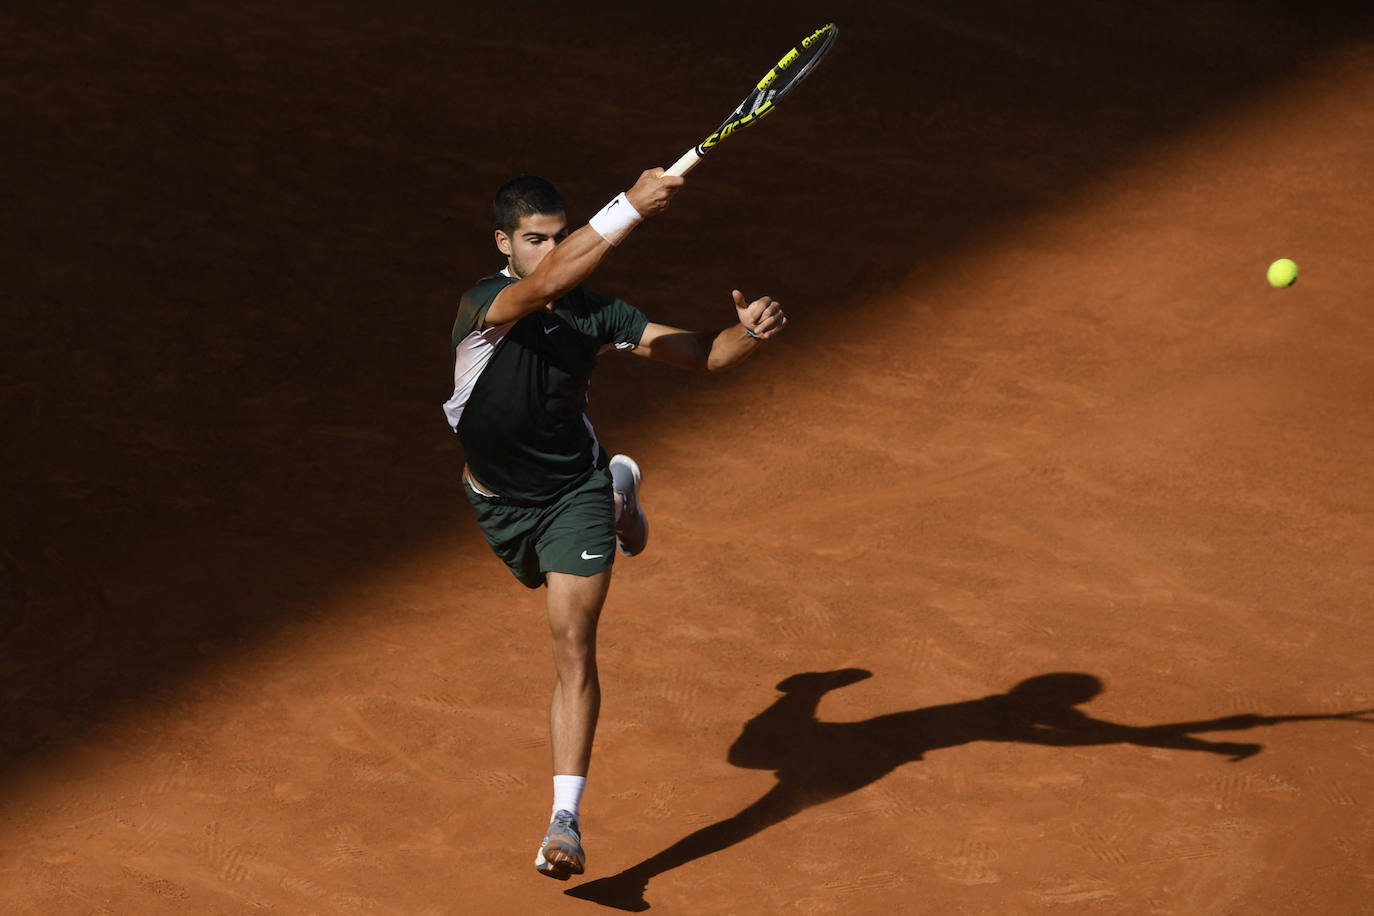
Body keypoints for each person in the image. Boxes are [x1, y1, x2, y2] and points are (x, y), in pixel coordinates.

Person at [442, 167, 787, 880]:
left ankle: (564, 821)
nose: (548, 250)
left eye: (558, 237)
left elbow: (702, 354)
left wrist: (743, 334)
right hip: (498, 503)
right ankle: (625, 493)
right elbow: (540, 288)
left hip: (572, 493)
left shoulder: (597, 315)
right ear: (504, 244)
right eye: (534, 239)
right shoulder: (486, 304)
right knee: (560, 596)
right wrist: (630, 206)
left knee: (572, 640)